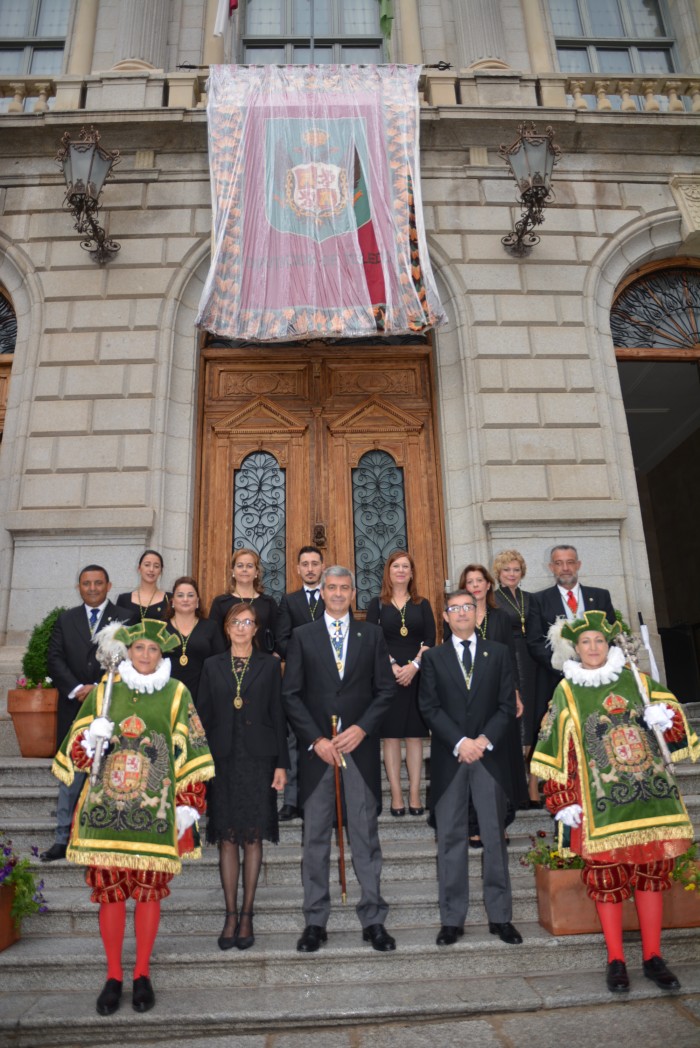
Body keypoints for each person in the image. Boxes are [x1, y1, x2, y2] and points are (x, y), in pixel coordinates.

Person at [51, 619, 214, 1016]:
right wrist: (93, 738)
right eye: (138, 648)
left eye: (153, 650)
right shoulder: (105, 690)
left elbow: (193, 752)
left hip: (154, 813)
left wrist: (187, 806)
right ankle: (113, 975)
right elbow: (77, 754)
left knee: (147, 892)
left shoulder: (177, 693)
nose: (145, 655)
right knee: (110, 893)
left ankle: (141, 973)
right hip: (105, 810)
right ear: (127, 651)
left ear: (162, 655)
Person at [531, 611, 699, 994]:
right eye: (586, 642)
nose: (593, 648)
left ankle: (654, 957)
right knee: (608, 881)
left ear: (609, 645)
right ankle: (616, 960)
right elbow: (557, 749)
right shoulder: (568, 690)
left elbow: (677, 734)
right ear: (576, 648)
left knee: (652, 876)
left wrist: (665, 718)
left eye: (599, 641)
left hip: (651, 802)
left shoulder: (638, 681)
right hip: (602, 805)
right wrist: (562, 800)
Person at [282, 565, 397, 953]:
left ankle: (374, 918)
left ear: (353, 593)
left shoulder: (373, 634)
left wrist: (362, 728)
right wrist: (315, 740)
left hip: (359, 751)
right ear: (323, 591)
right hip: (319, 756)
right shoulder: (302, 636)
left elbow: (384, 690)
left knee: (365, 836)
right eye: (330, 587)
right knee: (315, 839)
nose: (336, 593)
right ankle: (315, 920)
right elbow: (291, 695)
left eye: (343, 588)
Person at [419, 591, 523, 947]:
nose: (462, 613)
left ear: (479, 615)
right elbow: (429, 707)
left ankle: (501, 917)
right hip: (451, 759)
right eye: (454, 609)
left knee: (494, 837)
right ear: (445, 617)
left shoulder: (499, 654)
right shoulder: (433, 657)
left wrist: (482, 740)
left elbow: (506, 705)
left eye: (468, 607)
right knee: (449, 839)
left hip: (489, 758)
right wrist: (460, 743)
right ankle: (452, 920)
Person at [197, 603, 288, 952]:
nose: (241, 627)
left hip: (258, 759)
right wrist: (197, 760)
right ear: (226, 627)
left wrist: (281, 764)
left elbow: (278, 715)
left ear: (255, 629)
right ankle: (230, 914)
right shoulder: (211, 665)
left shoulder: (268, 664)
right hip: (221, 759)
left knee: (252, 836)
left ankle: (248, 913)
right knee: (227, 838)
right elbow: (201, 715)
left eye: (248, 622)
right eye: (235, 622)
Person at [41, 565, 119, 863]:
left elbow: (128, 657)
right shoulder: (66, 618)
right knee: (70, 778)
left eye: (98, 583)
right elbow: (55, 658)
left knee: (111, 777)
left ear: (108, 585)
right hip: (75, 709)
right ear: (79, 587)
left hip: (110, 708)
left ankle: (104, 839)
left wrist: (99, 688)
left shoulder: (123, 617)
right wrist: (76, 688)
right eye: (87, 583)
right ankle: (62, 839)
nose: (93, 588)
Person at [456, 563, 527, 844]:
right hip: (468, 699)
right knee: (473, 761)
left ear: (488, 585)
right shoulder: (459, 615)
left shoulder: (501, 618)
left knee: (500, 760)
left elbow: (510, 658)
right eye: (470, 581)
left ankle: (499, 822)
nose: (475, 585)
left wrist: (516, 692)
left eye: (479, 581)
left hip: (499, 697)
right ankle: (473, 823)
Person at [366, 550, 435, 816]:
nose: (401, 571)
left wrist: (415, 665)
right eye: (396, 566)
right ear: (389, 572)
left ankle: (415, 793)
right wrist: (393, 665)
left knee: (415, 737)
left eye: (406, 566)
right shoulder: (377, 604)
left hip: (417, 675)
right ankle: (396, 795)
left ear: (412, 572)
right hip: (388, 675)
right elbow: (373, 640)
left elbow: (430, 639)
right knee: (391, 737)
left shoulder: (422, 603)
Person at [526, 544, 615, 705]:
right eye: (559, 563)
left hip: (598, 677)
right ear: (551, 567)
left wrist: (598, 664)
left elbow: (612, 635)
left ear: (578, 565)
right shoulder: (538, 600)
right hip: (557, 680)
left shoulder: (601, 596)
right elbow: (535, 641)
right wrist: (563, 666)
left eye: (570, 562)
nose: (565, 568)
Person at [275, 545, 326, 821]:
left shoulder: (335, 596)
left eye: (314, 563)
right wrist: (302, 655)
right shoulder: (289, 601)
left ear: (322, 567)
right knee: (295, 741)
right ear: (297, 569)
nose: (310, 568)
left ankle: (321, 800)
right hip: (297, 679)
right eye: (304, 564)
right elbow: (281, 639)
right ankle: (292, 801)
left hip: (329, 680)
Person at [493, 550, 541, 807]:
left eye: (516, 570)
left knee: (534, 720)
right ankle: (516, 782)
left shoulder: (531, 598)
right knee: (515, 720)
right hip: (507, 659)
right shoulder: (493, 599)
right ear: (498, 574)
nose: (512, 574)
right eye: (507, 570)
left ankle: (533, 783)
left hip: (532, 660)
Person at [165, 576, 226, 706]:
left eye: (190, 595)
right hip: (166, 693)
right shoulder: (161, 628)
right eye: (180, 595)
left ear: (197, 601)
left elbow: (220, 663)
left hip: (203, 695)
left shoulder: (211, 627)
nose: (185, 599)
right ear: (173, 601)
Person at [209, 548, 278, 655]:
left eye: (249, 566)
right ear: (233, 571)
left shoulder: (268, 603)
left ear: (257, 572)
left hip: (263, 664)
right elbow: (214, 638)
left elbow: (277, 635)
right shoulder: (220, 603)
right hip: (227, 664)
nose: (244, 569)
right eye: (240, 565)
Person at [116, 550, 171, 624]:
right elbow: (117, 631)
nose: (151, 569)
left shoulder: (169, 599)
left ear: (160, 571)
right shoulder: (124, 599)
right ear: (139, 568)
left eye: (156, 566)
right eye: (147, 565)